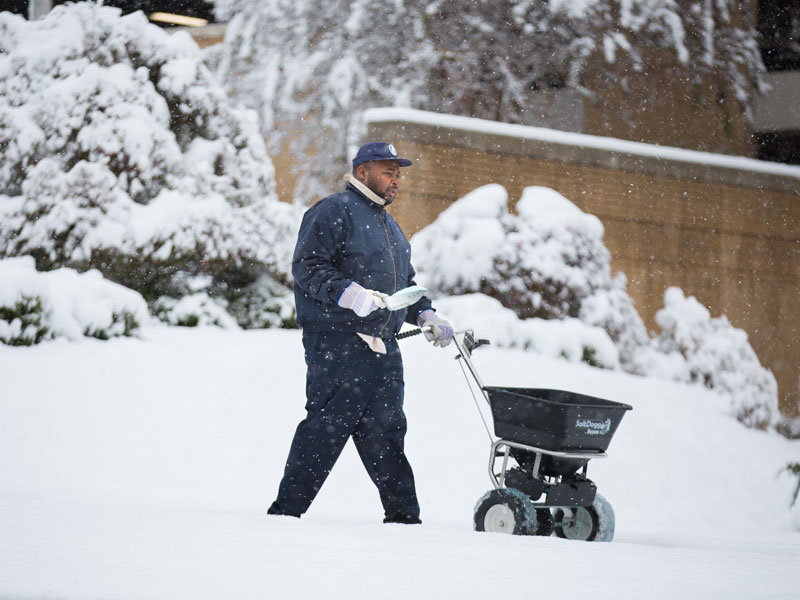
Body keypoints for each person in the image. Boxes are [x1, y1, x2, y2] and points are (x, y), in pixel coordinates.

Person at [267, 141, 453, 524]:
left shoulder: (392, 228)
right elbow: (308, 267)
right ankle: (284, 516)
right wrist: (350, 295)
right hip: (338, 343)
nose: (395, 180)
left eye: (398, 174)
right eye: (388, 172)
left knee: (387, 433)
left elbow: (407, 284)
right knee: (325, 430)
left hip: (384, 349)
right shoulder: (333, 211)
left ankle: (404, 521)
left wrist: (426, 313)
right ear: (363, 171)